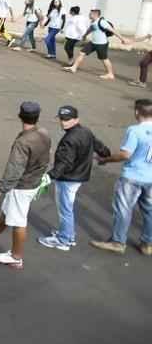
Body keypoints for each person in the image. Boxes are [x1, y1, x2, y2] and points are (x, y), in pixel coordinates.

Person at [0, 101, 51, 269]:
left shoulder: (23, 142)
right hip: (34, 180)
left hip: (22, 185)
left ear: (20, 116)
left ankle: (16, 256)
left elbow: (14, 170)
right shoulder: (44, 133)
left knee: (18, 221)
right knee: (8, 210)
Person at [38, 105, 110, 251]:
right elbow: (100, 147)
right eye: (62, 119)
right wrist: (105, 154)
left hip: (68, 179)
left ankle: (64, 239)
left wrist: (48, 177)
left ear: (76, 119)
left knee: (65, 209)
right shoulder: (86, 132)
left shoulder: (69, 139)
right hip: (79, 176)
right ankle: (67, 234)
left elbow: (65, 163)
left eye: (67, 119)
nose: (64, 122)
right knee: (67, 208)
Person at [90, 98, 152, 255]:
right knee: (149, 211)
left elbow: (125, 154)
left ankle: (118, 242)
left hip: (132, 176)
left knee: (123, 209)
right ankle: (148, 243)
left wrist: (105, 159)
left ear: (137, 112)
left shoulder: (135, 130)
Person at [64, 8, 125, 80]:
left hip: (101, 44)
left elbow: (112, 30)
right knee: (82, 53)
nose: (89, 15)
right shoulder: (93, 21)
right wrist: (84, 35)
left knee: (104, 59)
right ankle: (74, 68)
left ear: (95, 14)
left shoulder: (102, 22)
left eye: (90, 13)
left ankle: (110, 74)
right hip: (93, 42)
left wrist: (122, 39)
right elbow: (90, 29)